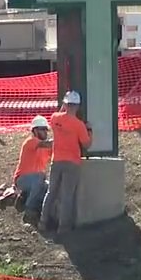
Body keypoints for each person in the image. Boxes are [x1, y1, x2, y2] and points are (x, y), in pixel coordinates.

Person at [40, 91, 92, 234]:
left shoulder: (55, 118)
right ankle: (63, 228)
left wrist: (64, 108)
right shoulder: (79, 125)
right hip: (72, 163)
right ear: (78, 106)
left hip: (56, 161)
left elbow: (59, 115)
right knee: (67, 195)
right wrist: (90, 131)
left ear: (65, 104)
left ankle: (43, 222)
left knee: (51, 192)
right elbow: (87, 145)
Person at [12, 115, 53, 222]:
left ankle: (24, 199)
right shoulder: (31, 141)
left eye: (46, 130)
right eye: (43, 129)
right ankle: (29, 211)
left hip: (35, 181)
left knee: (50, 188)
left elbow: (55, 152)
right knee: (40, 178)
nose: (45, 132)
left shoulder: (45, 147)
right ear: (35, 130)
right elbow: (49, 144)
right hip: (22, 180)